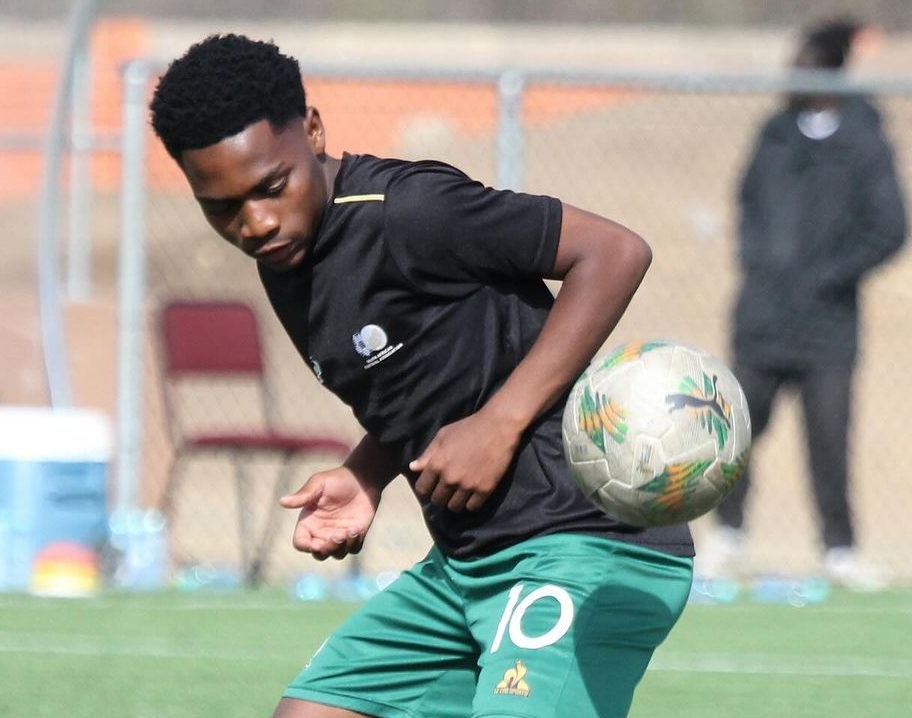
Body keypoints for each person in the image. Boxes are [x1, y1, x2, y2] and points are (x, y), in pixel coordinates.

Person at [150, 35, 693, 718]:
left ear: (313, 132)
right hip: (468, 566)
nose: (255, 222)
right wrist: (366, 473)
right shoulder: (287, 260)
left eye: (270, 187)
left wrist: (499, 424)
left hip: (582, 545)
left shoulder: (410, 212)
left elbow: (613, 252)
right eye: (222, 207)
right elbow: (423, 380)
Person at [700, 19, 907, 591]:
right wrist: (757, 263)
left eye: (810, 65)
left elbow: (890, 226)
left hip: (827, 324)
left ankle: (840, 550)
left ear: (834, 72)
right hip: (763, 314)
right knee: (734, 427)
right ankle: (728, 537)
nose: (798, 75)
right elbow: (747, 201)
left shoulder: (865, 139)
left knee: (829, 439)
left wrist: (829, 276)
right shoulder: (775, 132)